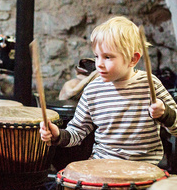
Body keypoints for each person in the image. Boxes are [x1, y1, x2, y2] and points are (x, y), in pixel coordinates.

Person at [40, 16, 177, 165]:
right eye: (97, 56)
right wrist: (58, 135)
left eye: (107, 57)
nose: (99, 64)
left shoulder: (150, 85)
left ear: (133, 59)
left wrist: (164, 114)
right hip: (103, 167)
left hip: (144, 170)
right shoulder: (93, 89)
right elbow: (76, 133)